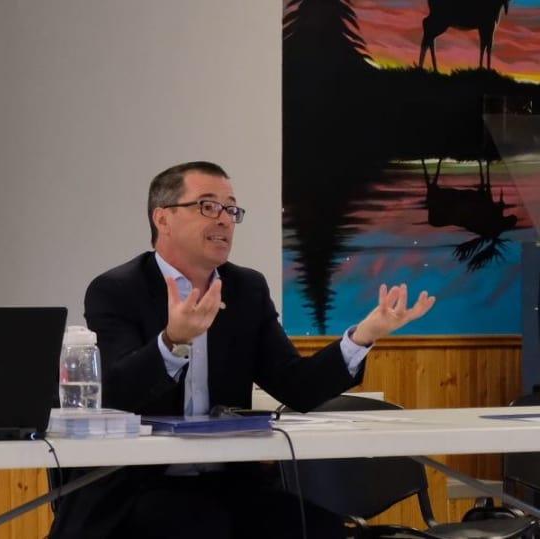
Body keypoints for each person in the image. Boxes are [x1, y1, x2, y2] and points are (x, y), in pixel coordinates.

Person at [49, 161, 436, 539]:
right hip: (137, 488)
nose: (224, 220)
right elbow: (116, 395)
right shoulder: (117, 289)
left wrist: (363, 336)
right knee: (200, 525)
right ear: (162, 218)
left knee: (321, 529)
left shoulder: (246, 289)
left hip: (230, 483)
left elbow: (297, 387)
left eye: (231, 209)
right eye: (208, 206)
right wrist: (172, 342)